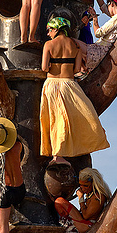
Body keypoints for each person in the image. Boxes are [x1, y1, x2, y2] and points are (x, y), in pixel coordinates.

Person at [40, 17, 109, 163]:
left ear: (56, 29)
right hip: (69, 84)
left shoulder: (48, 45)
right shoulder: (75, 46)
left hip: (52, 84)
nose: (48, 33)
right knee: (78, 116)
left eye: (50, 30)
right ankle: (66, 152)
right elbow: (77, 69)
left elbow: (44, 68)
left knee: (54, 119)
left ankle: (57, 155)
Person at [55, 167, 111, 233]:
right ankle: (69, 228)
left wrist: (81, 198)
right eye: (81, 185)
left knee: (60, 203)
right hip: (82, 222)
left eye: (86, 186)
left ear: (93, 183)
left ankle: (72, 231)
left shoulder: (98, 197)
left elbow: (85, 216)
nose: (83, 189)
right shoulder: (91, 194)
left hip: (88, 226)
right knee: (59, 202)